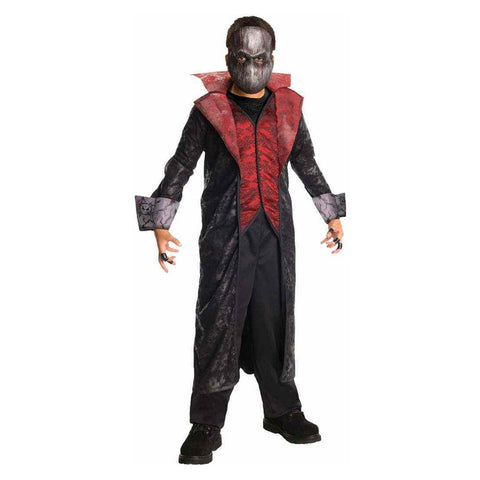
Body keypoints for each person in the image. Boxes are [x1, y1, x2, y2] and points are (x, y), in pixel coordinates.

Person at [135, 16, 346, 465]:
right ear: (229, 58)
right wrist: (159, 220)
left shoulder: (288, 107)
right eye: (243, 57)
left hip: (275, 233)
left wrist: (331, 213)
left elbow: (306, 162)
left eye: (260, 57)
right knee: (217, 322)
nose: (252, 66)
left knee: (275, 319)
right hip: (225, 235)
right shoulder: (209, 110)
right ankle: (206, 423)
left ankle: (282, 410)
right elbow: (181, 165)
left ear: (272, 57)